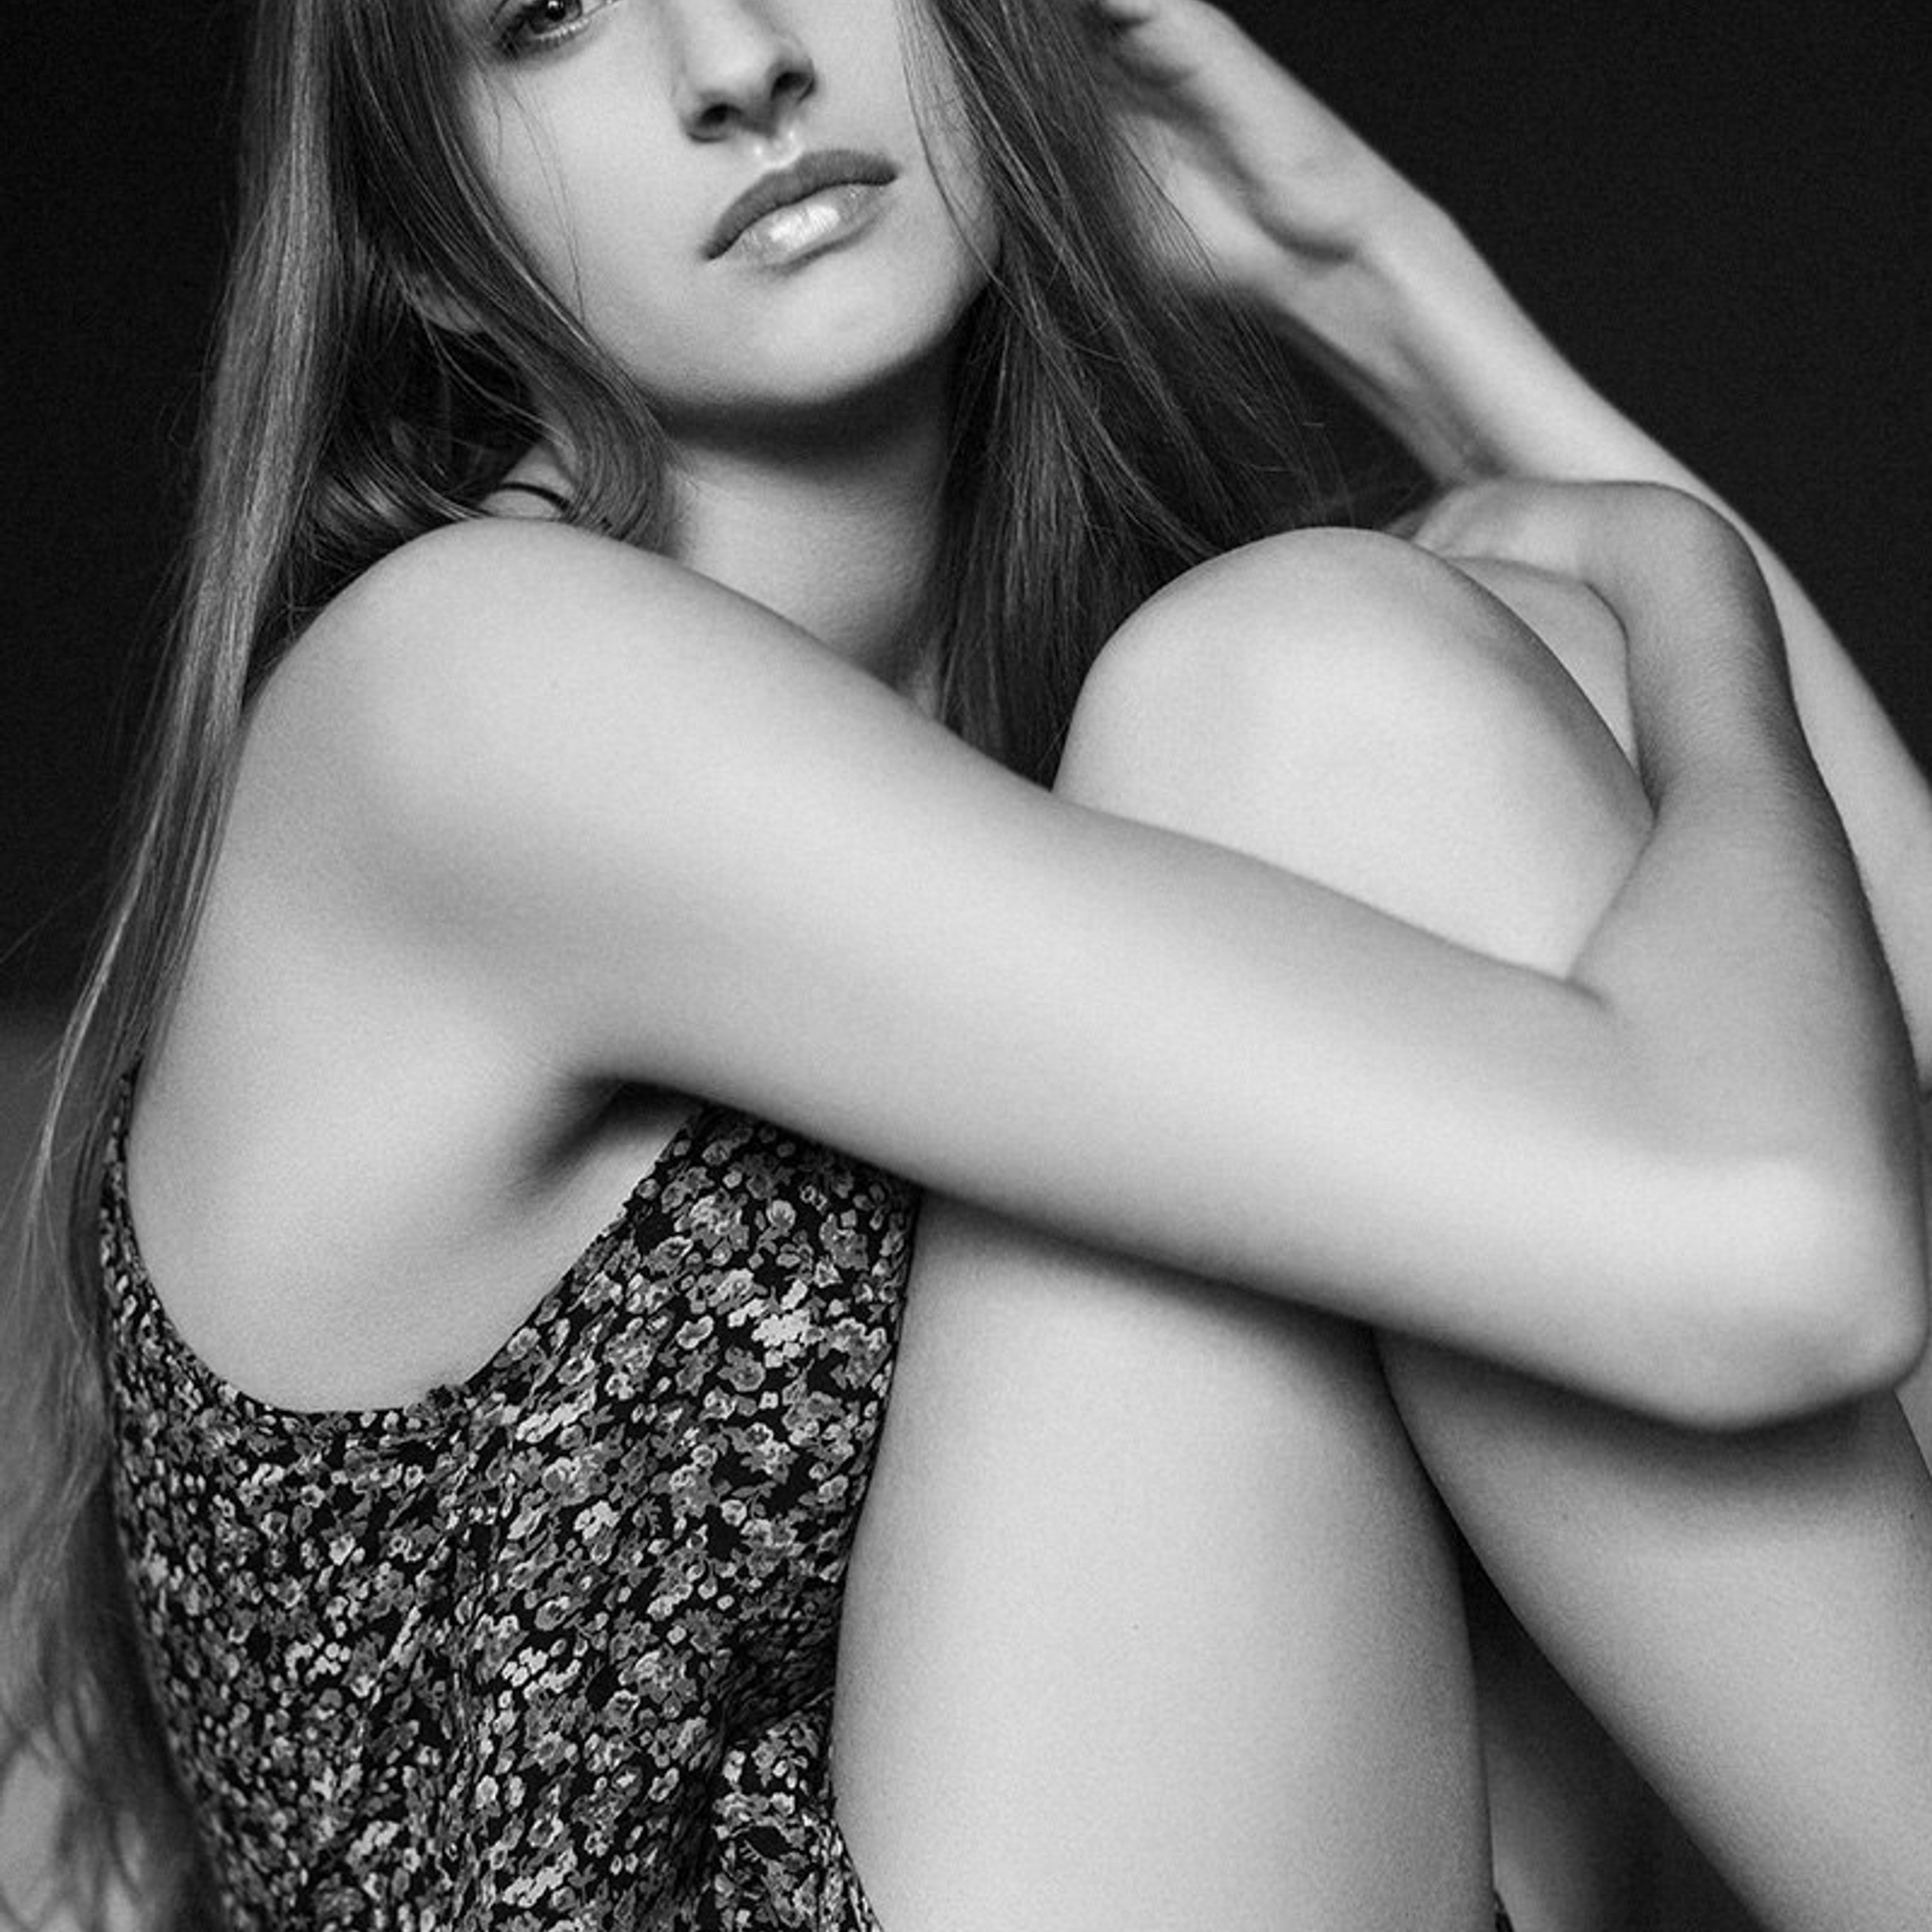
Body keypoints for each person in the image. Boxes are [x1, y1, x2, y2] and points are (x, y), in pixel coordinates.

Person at [0, 2, 1924, 1930]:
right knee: (1335, 690)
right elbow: (1790, 1247)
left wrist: (1370, 277)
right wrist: (1685, 589)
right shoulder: (460, 697)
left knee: (1448, 708)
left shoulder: (1112, 756)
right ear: (425, 236)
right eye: (549, 13)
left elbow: (1875, 1063)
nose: (734, 59)